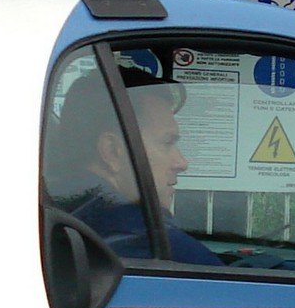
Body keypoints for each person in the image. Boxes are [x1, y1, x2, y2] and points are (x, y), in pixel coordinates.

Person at [45, 68, 221, 265]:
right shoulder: (149, 242)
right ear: (112, 151)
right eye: (167, 143)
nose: (182, 163)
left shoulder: (57, 217)